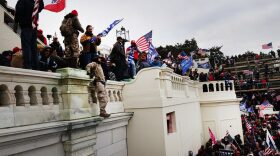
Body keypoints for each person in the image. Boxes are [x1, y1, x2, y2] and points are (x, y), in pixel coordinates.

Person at [14, 0, 44, 70]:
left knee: (26, 47)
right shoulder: (35, 3)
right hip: (34, 29)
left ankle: (27, 65)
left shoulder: (22, 1)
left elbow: (17, 12)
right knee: (34, 48)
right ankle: (35, 66)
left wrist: (15, 24)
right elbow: (41, 7)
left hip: (26, 27)